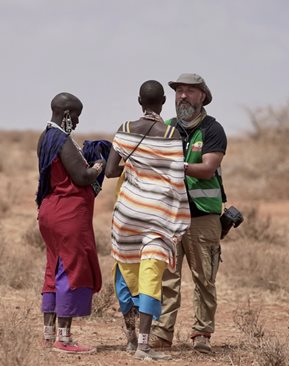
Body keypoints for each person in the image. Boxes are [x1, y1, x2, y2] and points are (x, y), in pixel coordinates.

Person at [105, 80, 190, 360]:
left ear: (139, 100)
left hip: (128, 213)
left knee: (127, 273)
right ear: (163, 101)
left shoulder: (126, 130)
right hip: (156, 217)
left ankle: (131, 339)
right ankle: (143, 345)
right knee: (151, 275)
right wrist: (176, 216)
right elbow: (177, 177)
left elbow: (109, 171)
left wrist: (133, 165)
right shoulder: (171, 134)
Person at [150, 73, 228, 354]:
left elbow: (207, 168)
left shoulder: (212, 129)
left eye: (190, 91)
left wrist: (174, 165)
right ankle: (162, 333)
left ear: (203, 96)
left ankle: (202, 334)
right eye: (179, 91)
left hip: (202, 217)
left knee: (204, 278)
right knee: (168, 278)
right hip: (169, 216)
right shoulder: (167, 127)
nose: (182, 96)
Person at [36, 92, 104, 354]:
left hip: (51, 211)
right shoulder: (61, 139)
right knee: (71, 270)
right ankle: (64, 339)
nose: (76, 121)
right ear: (66, 114)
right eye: (75, 116)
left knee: (54, 269)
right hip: (68, 214)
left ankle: (48, 335)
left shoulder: (46, 137)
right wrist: (98, 163)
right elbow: (82, 176)